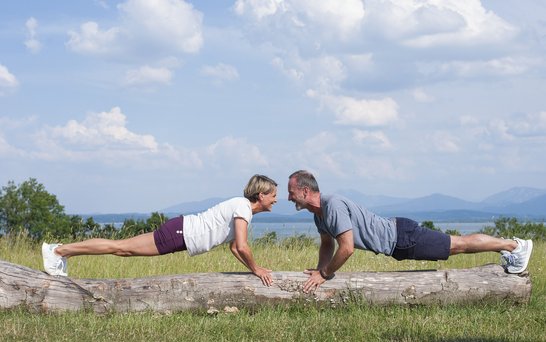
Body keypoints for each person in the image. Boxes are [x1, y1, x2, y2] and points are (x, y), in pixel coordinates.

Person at [287, 170, 534, 293]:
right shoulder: (319, 215)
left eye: (291, 192)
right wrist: (319, 270)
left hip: (402, 237)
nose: (289, 197)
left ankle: (514, 246)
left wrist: (326, 274)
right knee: (456, 245)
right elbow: (327, 244)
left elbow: (347, 248)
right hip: (398, 241)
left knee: (457, 244)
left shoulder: (332, 205)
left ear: (306, 191)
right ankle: (511, 246)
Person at [42, 174, 278, 286]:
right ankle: (59, 252)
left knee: (122, 249)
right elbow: (243, 246)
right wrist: (256, 269)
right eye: (273, 196)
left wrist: (253, 269)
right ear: (261, 195)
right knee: (121, 247)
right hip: (180, 233)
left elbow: (235, 248)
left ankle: (64, 253)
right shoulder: (243, 207)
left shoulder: (242, 208)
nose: (276, 200)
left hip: (180, 233)